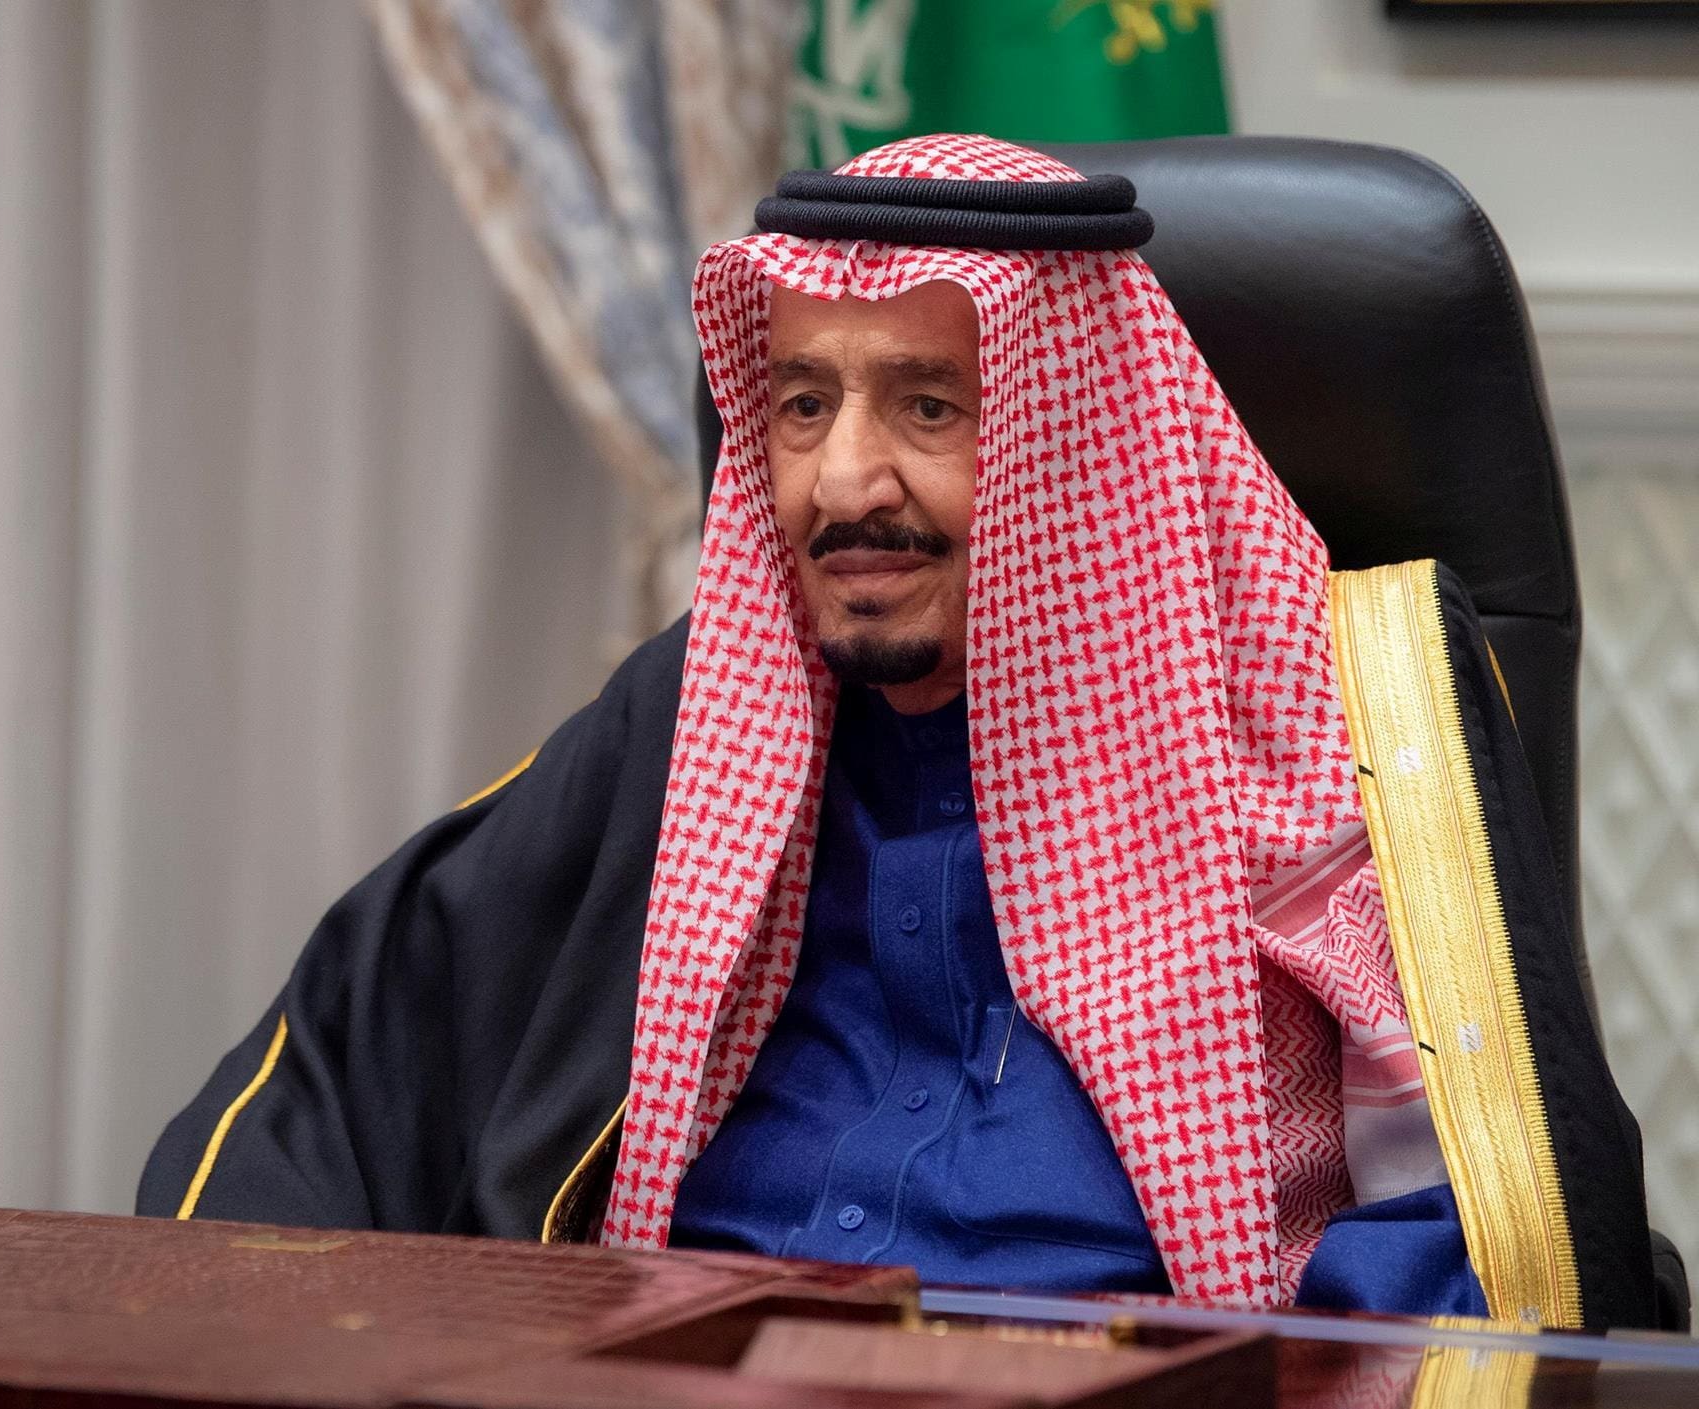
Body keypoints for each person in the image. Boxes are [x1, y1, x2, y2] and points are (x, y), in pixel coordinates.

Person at [138, 134, 1658, 1331]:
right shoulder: (696, 726)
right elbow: (339, 1063)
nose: (843, 482)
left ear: (1072, 440)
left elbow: (1490, 1242)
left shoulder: (1333, 722)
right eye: (802, 406)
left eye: (929, 407)